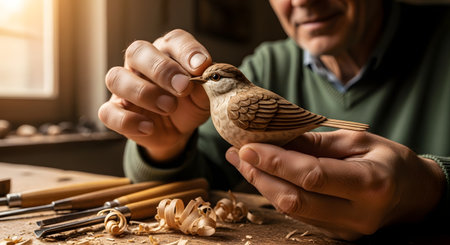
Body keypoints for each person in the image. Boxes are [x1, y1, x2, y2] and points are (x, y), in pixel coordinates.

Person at [98, 0, 450, 241]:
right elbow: (202, 178)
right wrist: (164, 145)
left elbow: (281, 116)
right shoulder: (264, 65)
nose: (303, 0)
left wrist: (435, 188)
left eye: (213, 80)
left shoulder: (244, 97)